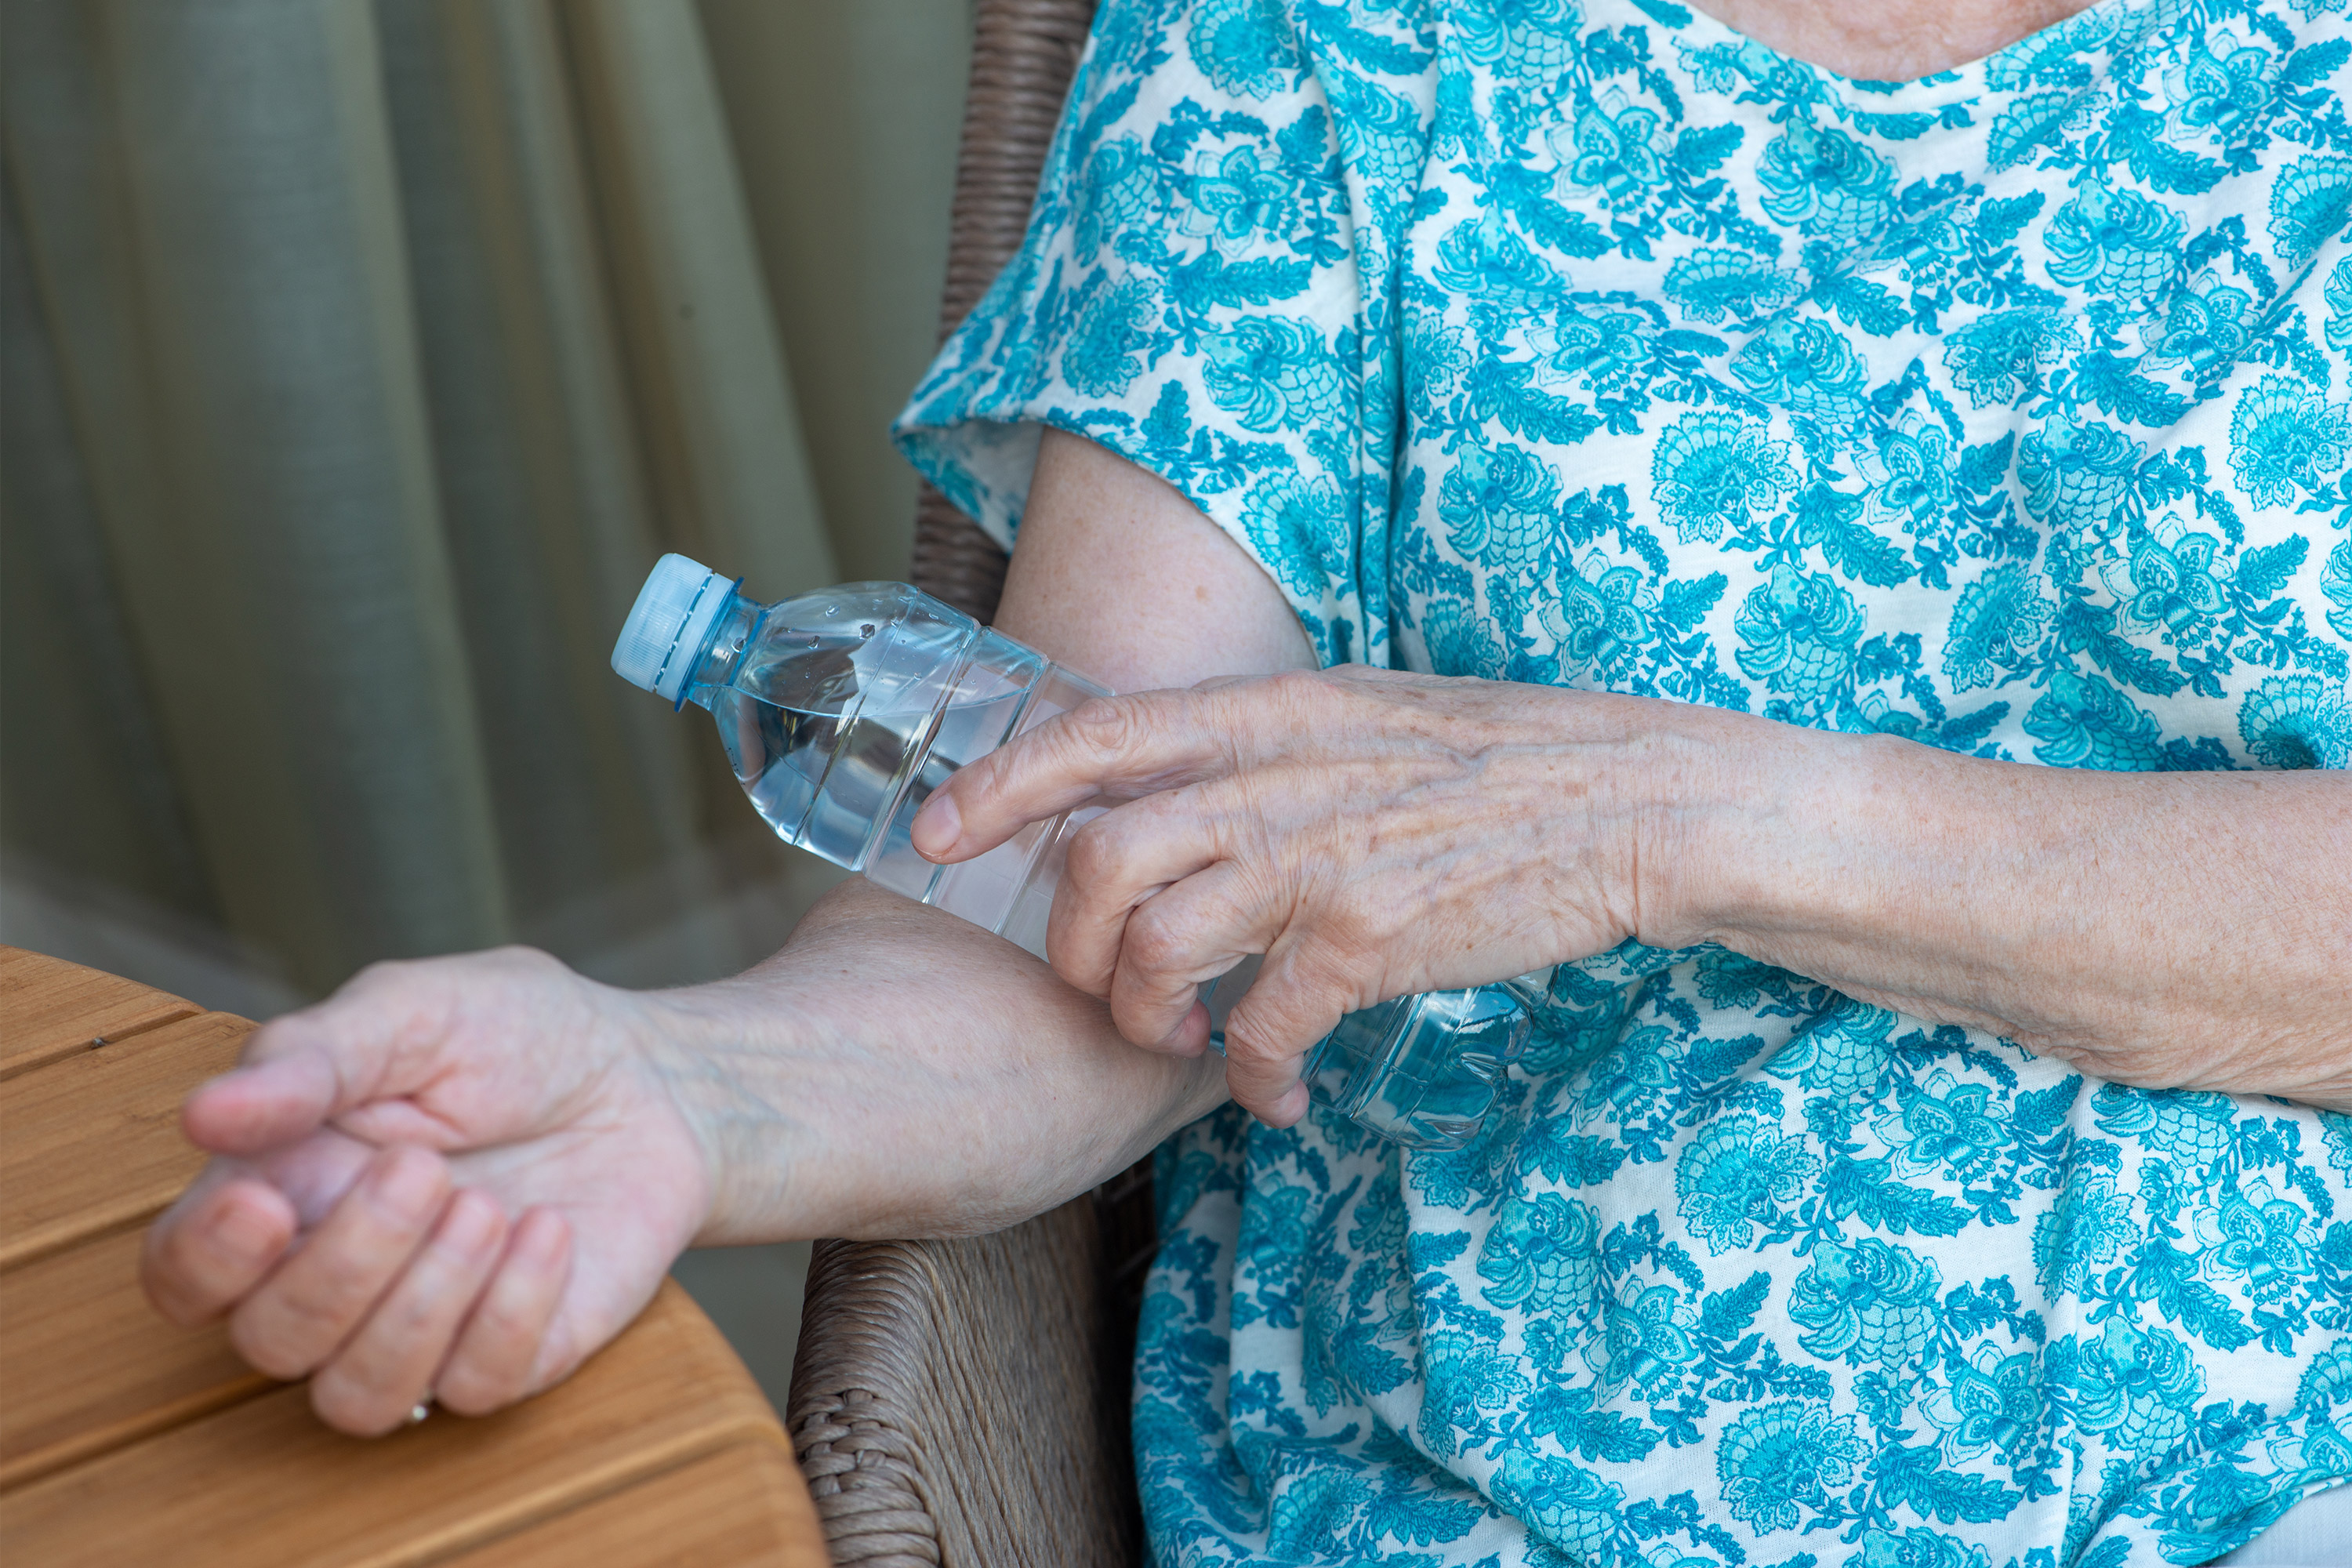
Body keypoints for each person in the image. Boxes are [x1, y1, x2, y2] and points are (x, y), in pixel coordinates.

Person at [143, 0, 2352, 1562]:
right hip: (1507, 1493)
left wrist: (1679, 812)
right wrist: (677, 1090)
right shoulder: (1311, 46)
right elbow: (1096, 895)